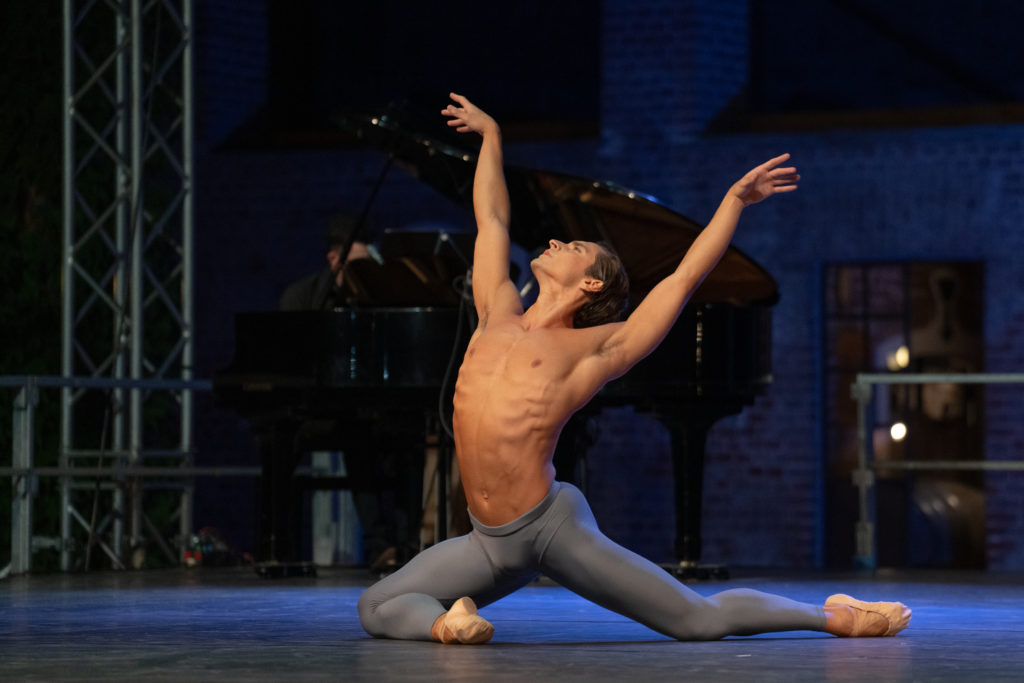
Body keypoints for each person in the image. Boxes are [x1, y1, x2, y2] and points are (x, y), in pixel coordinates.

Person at [357, 93, 911, 644]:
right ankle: (449, 625)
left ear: (590, 282)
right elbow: (493, 218)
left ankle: (835, 615)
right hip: (487, 541)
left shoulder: (596, 348)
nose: (554, 240)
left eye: (573, 245)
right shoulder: (494, 311)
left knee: (698, 621)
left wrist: (734, 202)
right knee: (375, 604)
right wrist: (492, 137)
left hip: (549, 528)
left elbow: (682, 280)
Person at [279, 214, 371, 311]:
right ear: (333, 259)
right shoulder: (300, 297)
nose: (364, 271)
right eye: (356, 264)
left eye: (368, 263)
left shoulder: (372, 296)